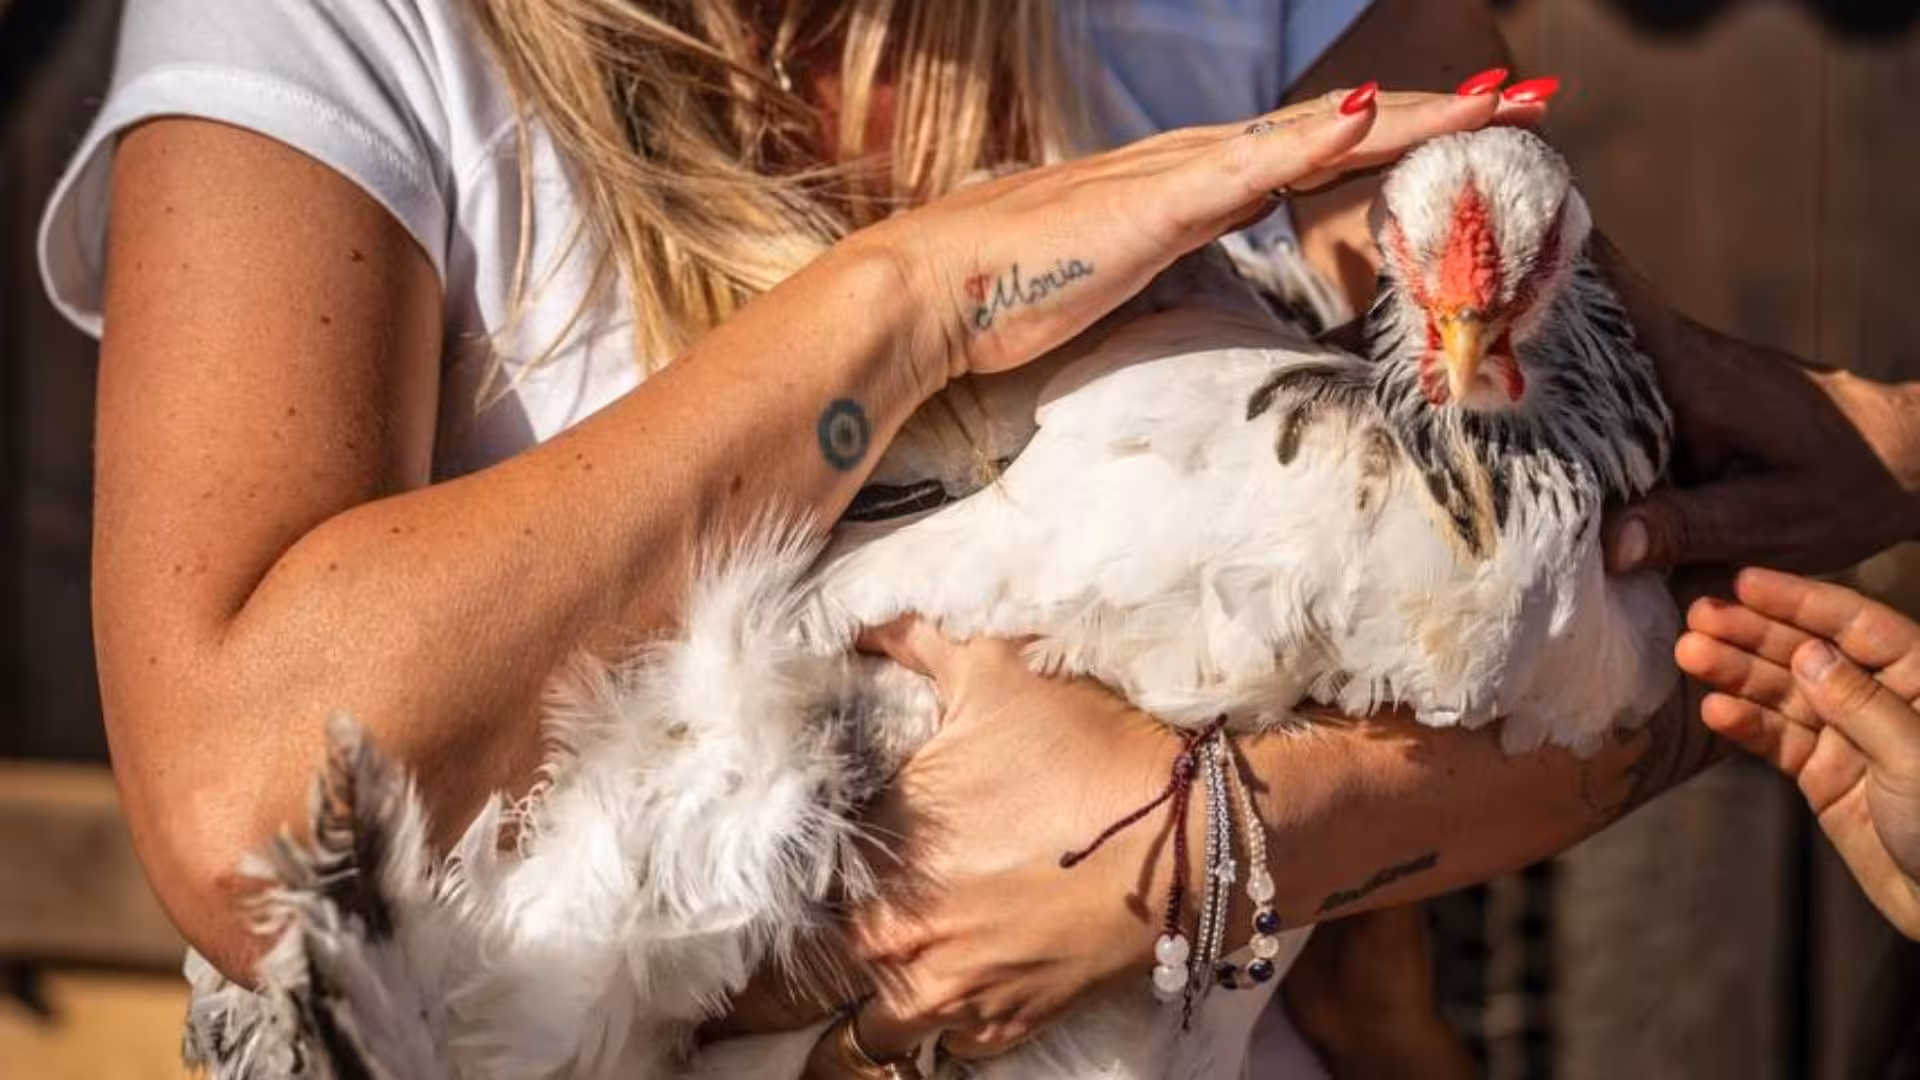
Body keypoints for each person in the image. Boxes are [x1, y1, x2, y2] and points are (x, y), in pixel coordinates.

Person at [37, 0, 1856, 1076]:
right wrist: (912, 296)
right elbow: (246, 795)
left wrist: (1198, 850)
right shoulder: (325, 30)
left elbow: (1631, 592)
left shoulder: (1279, 20)